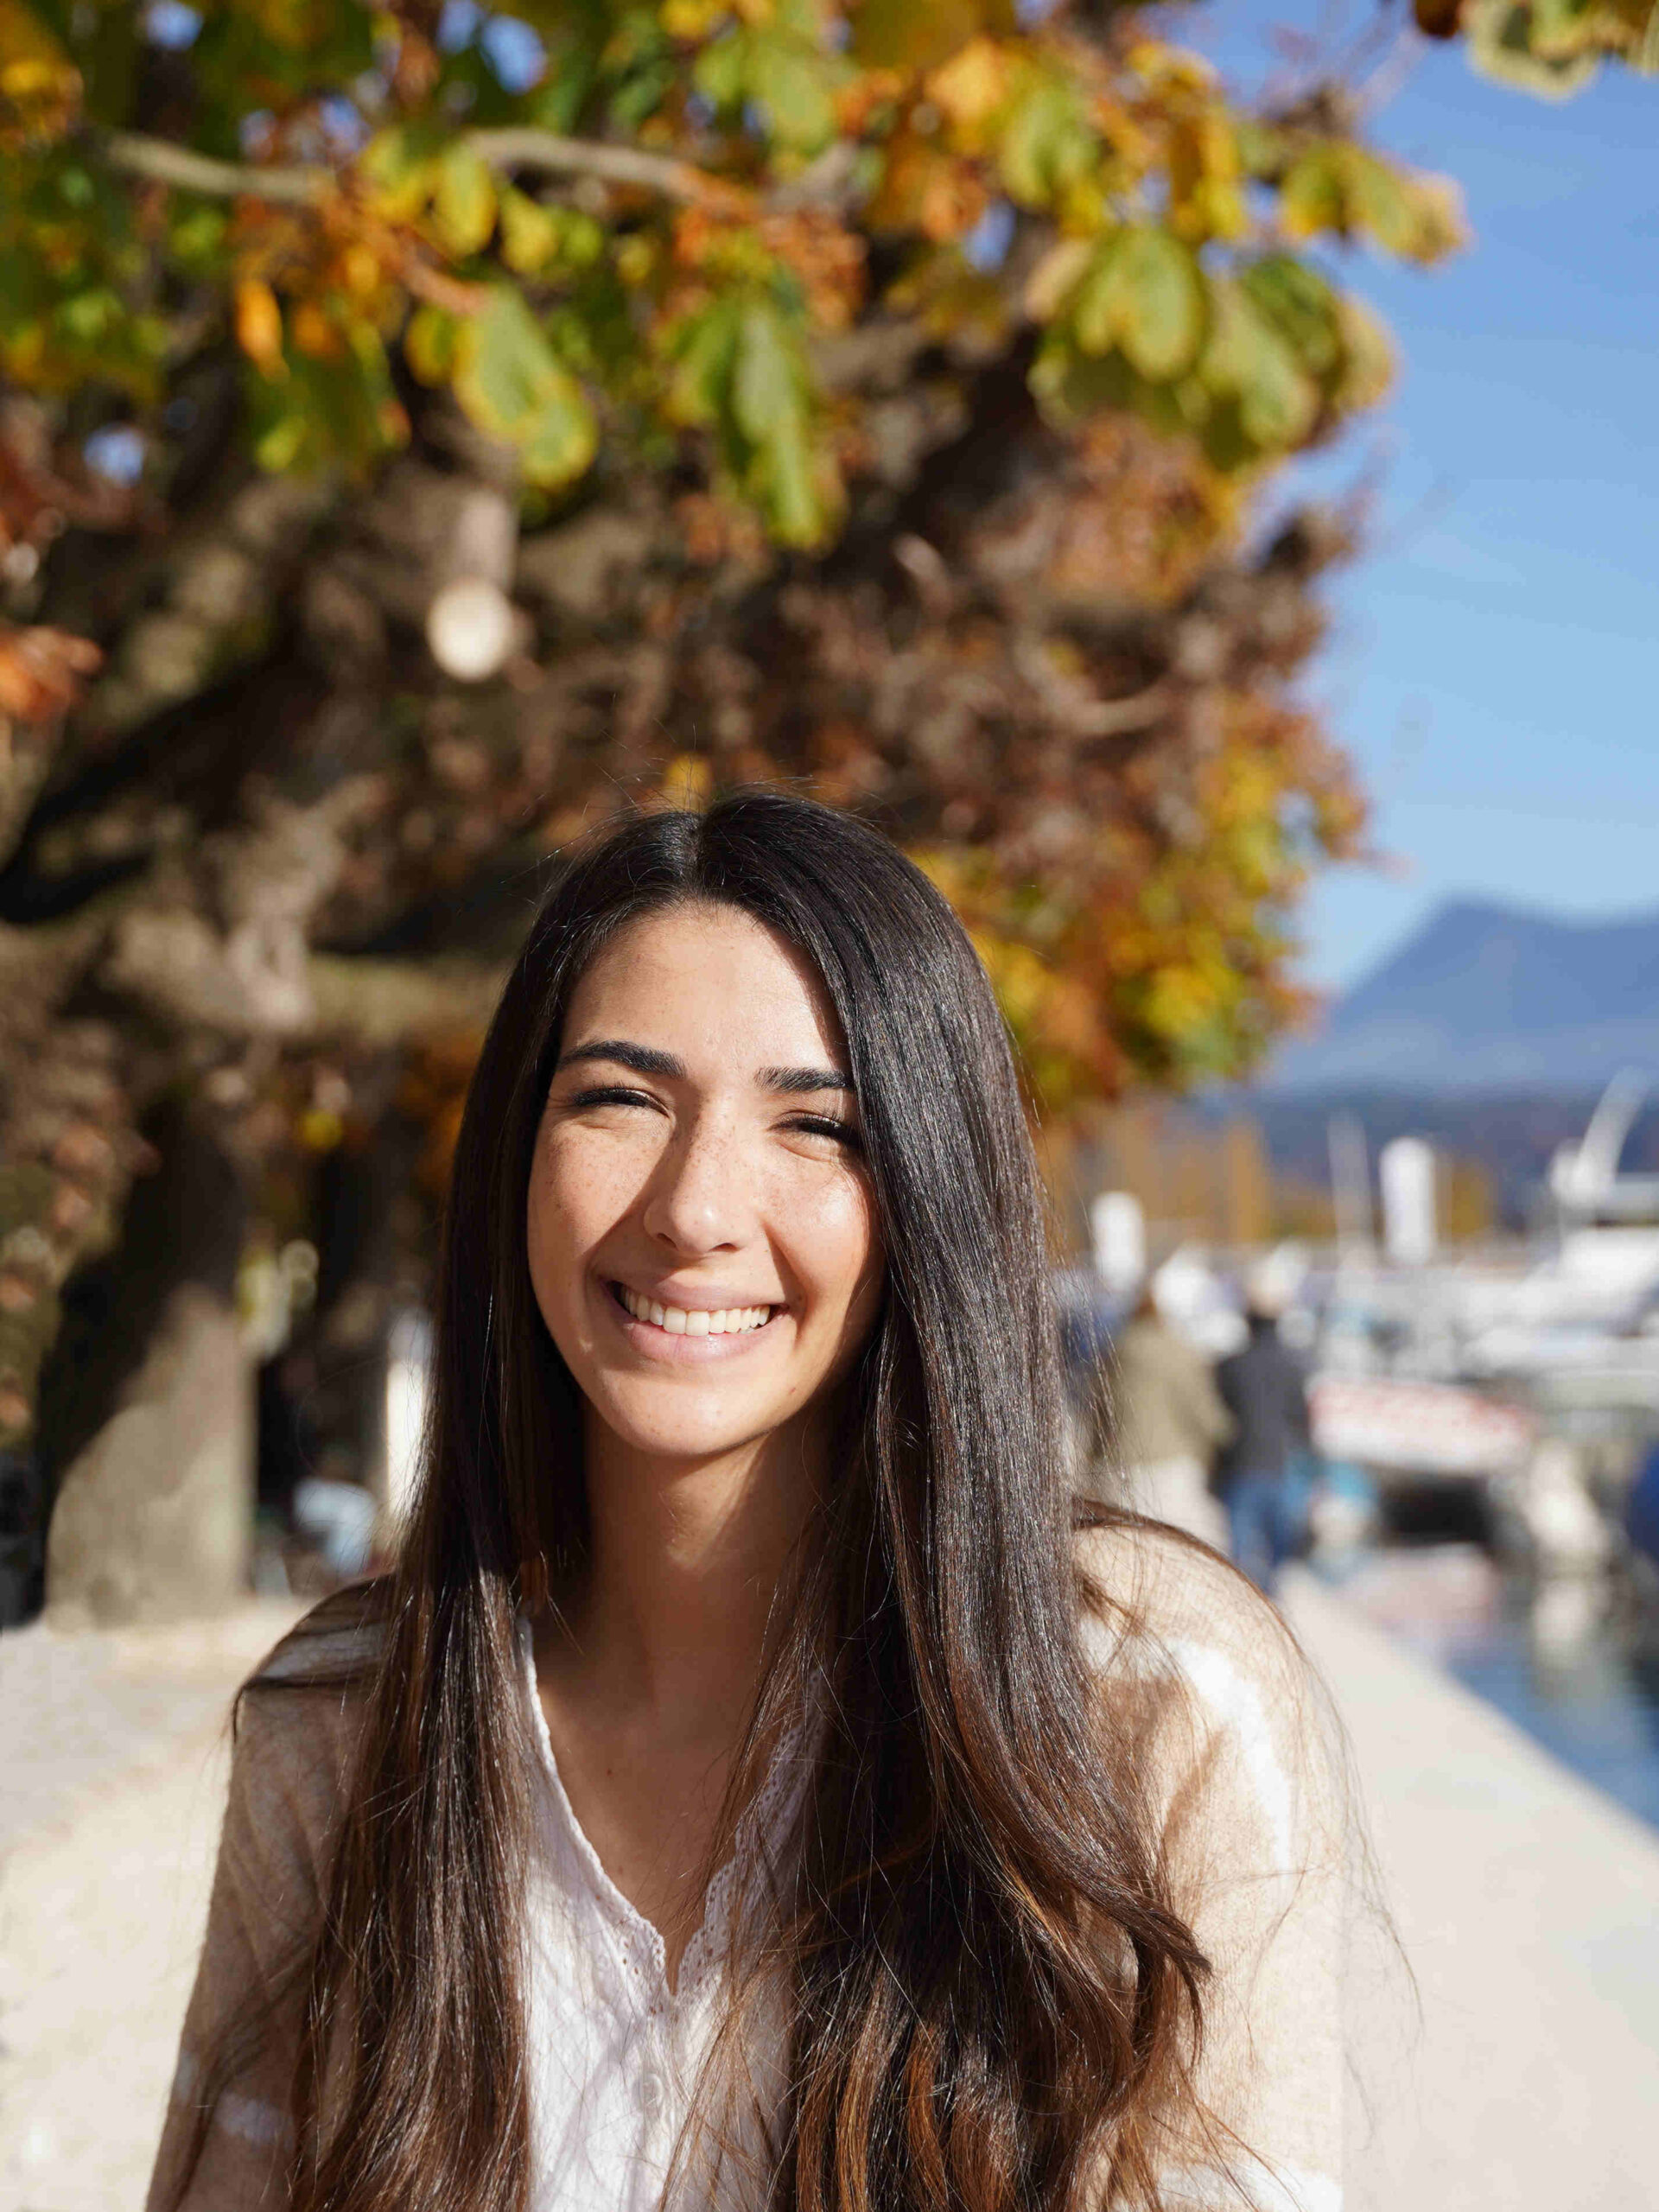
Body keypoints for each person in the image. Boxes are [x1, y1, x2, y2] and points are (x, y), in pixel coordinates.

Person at [149, 793, 1349, 2212]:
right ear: (514, 1160)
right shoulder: (344, 1719)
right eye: (620, 1099)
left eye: (816, 1125)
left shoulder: (1149, 1695)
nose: (696, 1207)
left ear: (926, 1196)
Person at [1084, 1283, 1233, 1549]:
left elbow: (1096, 1413)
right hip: (1169, 1466)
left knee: (1130, 1553)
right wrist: (1224, 1442)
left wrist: (1092, 1464)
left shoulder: (1113, 1353)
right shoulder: (1179, 1352)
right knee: (1175, 1552)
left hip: (1118, 1467)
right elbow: (1201, 1410)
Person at [1213, 1283, 1314, 1599]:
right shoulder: (1294, 1366)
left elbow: (1214, 1415)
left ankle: (1248, 1611)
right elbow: (1303, 1422)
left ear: (1247, 1321)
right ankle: (1272, 1607)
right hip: (1280, 1466)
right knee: (1278, 1553)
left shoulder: (1229, 1366)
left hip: (1239, 1465)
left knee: (1241, 1554)